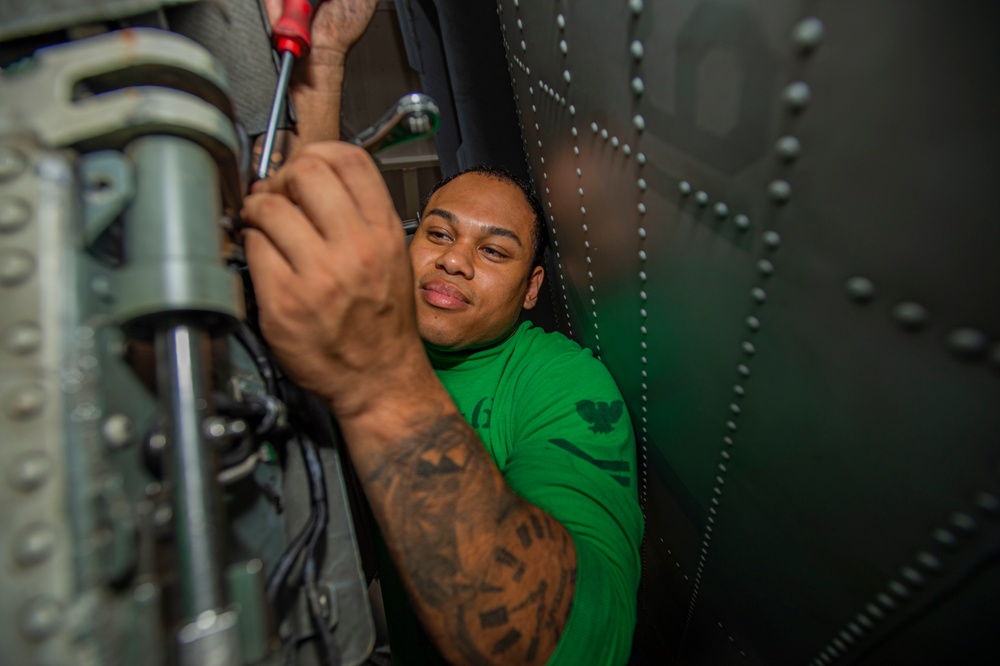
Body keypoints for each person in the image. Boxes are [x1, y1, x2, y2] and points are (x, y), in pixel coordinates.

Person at [245, 2, 643, 663]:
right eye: (437, 233)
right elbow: (308, 232)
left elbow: (580, 642)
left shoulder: (564, 383)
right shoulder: (356, 326)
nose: (454, 259)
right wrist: (328, 54)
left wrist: (379, 379)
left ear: (531, 291)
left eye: (494, 252)